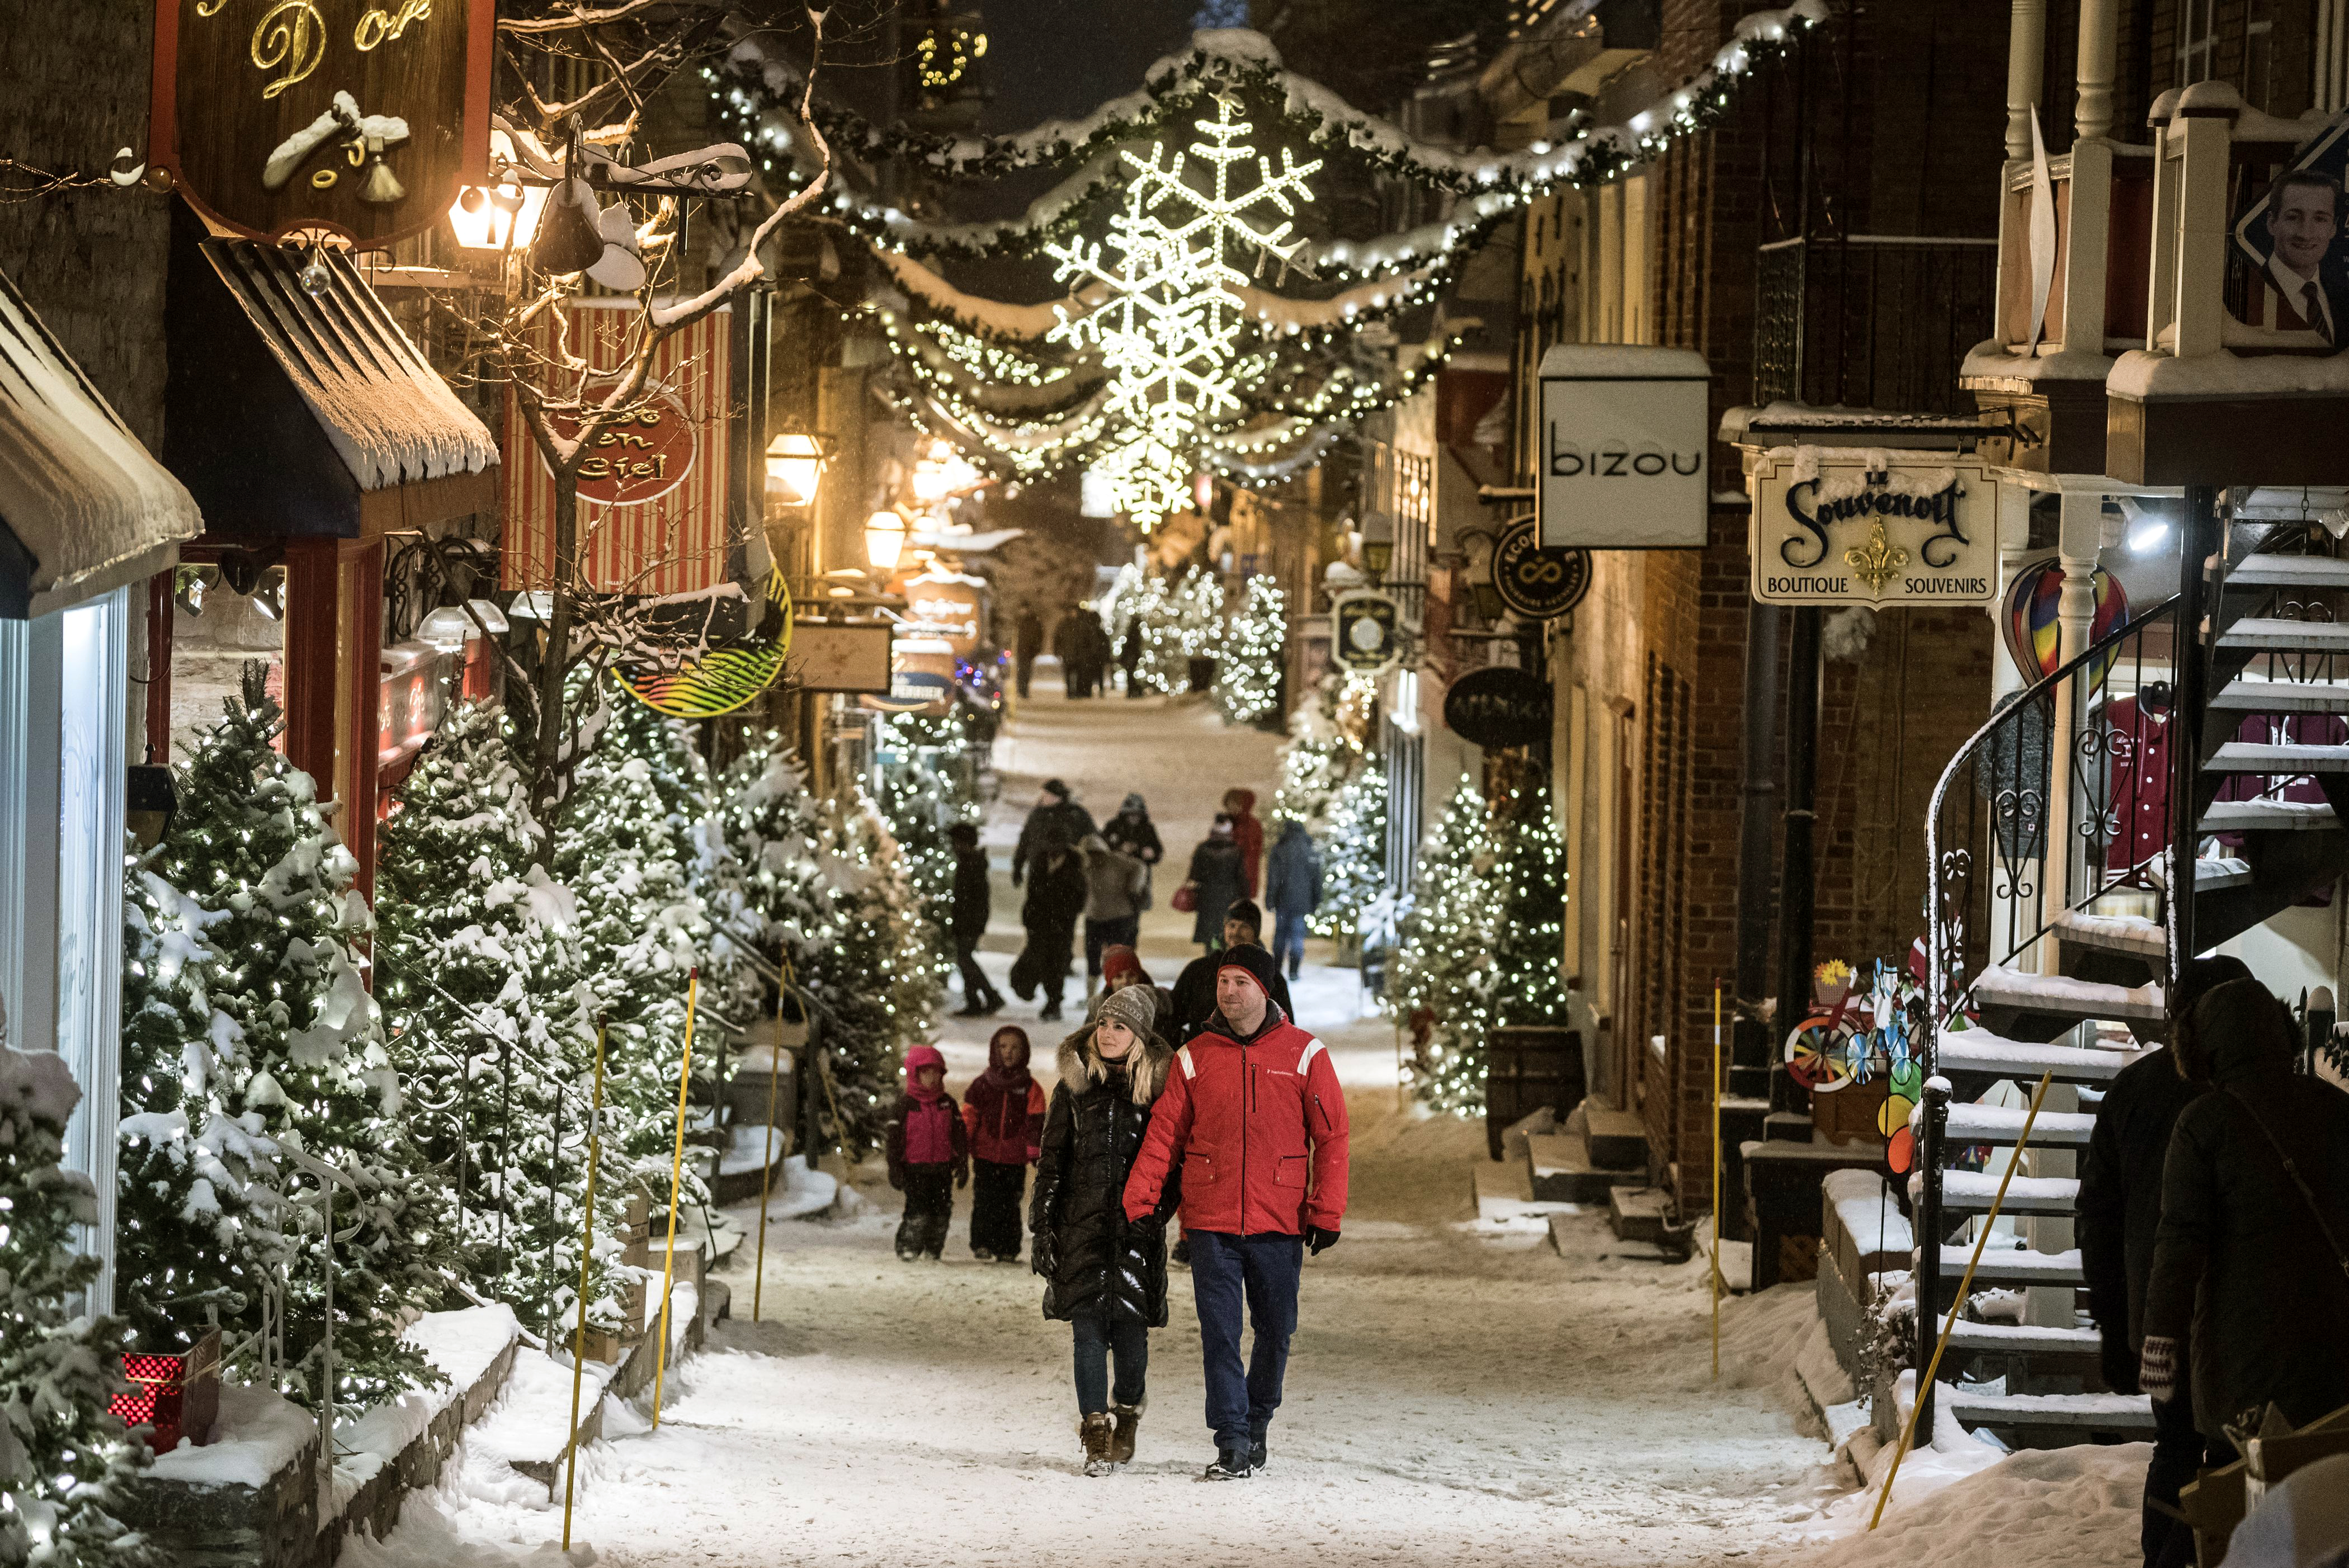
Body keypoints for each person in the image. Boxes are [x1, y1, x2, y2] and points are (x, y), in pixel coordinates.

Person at [1122, 943, 1349, 1479]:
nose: (1229, 992)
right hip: (1211, 1219)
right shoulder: (1193, 1056)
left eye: (1240, 982)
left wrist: (1326, 1211)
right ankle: (1231, 1438)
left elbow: (1332, 1135)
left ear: (1263, 990)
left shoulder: (1304, 1054)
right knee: (1220, 1332)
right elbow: (1165, 1136)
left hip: (1279, 1219)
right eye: (1224, 982)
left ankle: (1258, 1419)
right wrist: (1140, 1199)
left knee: (1276, 1329)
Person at [2142, 977, 2349, 1522]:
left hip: (2242, 1364)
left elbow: (2178, 1243)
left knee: (2248, 1508)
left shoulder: (2204, 1124)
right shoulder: (2337, 1109)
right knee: (2327, 1510)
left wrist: (2161, 1338)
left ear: (2202, 1047)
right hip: (2335, 1354)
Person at [2079, 955, 2251, 1568]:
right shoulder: (2243, 1091)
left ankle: (2165, 1558)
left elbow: (2096, 1213)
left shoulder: (2132, 1089)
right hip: (2233, 1316)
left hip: (2157, 1316)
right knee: (2235, 1457)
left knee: (2176, 1447)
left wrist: (2112, 1320)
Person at [1031, 985, 1178, 1476]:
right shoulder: (1074, 1090)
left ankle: (1128, 1409)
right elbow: (1051, 1163)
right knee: (1088, 1335)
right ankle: (1095, 1430)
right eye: (1103, 1024)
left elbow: (1173, 1167)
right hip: (1081, 1230)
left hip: (1136, 1235)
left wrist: (1155, 1215)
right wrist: (1042, 1228)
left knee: (1133, 1342)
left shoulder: (1158, 1091)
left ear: (1140, 1037)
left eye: (1120, 1026)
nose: (1108, 1033)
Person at [963, 1026, 1045, 1263]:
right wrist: (965, 1139)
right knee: (984, 1199)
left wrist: (1034, 1148)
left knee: (1010, 1202)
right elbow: (970, 1114)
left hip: (1014, 1157)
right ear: (994, 1050)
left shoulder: (1030, 1087)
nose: (1008, 1053)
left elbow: (1036, 1119)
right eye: (1003, 1047)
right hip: (985, 1154)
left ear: (1025, 1052)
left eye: (1015, 1048)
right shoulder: (982, 1084)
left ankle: (1008, 1247)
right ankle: (982, 1243)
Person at [885, 1044, 969, 1262]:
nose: (931, 1078)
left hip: (942, 1168)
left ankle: (934, 1248)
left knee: (941, 1212)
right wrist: (895, 1167)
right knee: (918, 1211)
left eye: (936, 1072)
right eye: (925, 1072)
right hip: (915, 1168)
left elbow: (959, 1136)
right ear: (915, 1074)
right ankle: (909, 1245)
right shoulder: (905, 1105)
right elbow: (893, 1141)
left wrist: (961, 1163)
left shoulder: (947, 1104)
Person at [1169, 900, 1292, 1044]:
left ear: (1256, 933)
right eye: (1232, 925)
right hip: (1203, 1058)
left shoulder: (1271, 978)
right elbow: (1174, 1016)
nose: (1236, 932)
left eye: (1245, 927)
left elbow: (1286, 1029)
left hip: (1252, 1059)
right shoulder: (1198, 970)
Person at [2261, 168, 2349, 345]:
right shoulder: (2254, 289)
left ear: (2333, 228)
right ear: (2272, 223)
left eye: (2320, 219)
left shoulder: (2343, 298)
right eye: (2293, 217)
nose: (2306, 233)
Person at [1012, 839, 1088, 1022]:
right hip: (1039, 924)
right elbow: (1033, 893)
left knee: (1055, 965)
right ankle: (1034, 992)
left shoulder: (1073, 867)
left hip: (1061, 927)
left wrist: (1064, 916)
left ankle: (1053, 1003)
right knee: (1038, 960)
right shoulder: (1040, 863)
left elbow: (1078, 897)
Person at [948, 822, 1002, 1018]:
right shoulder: (970, 862)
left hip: (969, 922)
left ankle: (988, 996)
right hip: (968, 921)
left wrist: (968, 921)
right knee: (965, 960)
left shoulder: (971, 864)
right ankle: (975, 1000)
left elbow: (973, 898)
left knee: (965, 960)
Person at [1080, 834, 1147, 988]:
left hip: (1119, 917)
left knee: (1118, 959)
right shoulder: (1085, 865)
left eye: (1096, 853)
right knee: (1093, 958)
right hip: (1095, 917)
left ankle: (1115, 992)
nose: (1095, 857)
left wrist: (1134, 888)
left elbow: (1140, 867)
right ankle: (1092, 995)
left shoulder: (1117, 861)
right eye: (1090, 854)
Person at [1263, 818, 1322, 980]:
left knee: (1280, 935)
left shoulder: (1280, 849)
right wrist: (1317, 900)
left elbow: (1273, 878)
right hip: (1302, 902)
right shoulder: (1310, 850)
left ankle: (1277, 970)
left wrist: (1270, 899)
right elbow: (1317, 878)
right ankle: (1294, 971)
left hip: (1283, 901)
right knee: (1297, 935)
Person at [1013, 780, 1096, 889]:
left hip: (1068, 873)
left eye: (1047, 795)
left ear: (1057, 797)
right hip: (1038, 871)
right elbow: (1025, 840)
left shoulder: (1076, 814)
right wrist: (1018, 867)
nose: (1043, 798)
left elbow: (1092, 838)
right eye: (1043, 795)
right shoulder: (1037, 815)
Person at [1182, 816, 1248, 952]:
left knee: (1210, 934)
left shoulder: (1203, 849)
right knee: (1225, 932)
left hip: (1207, 897)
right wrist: (1244, 897)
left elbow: (1195, 874)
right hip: (1229, 897)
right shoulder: (1236, 851)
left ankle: (1211, 959)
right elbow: (1241, 877)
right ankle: (1222, 960)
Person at [1223, 788, 1265, 898]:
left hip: (1244, 879)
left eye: (1234, 804)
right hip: (1226, 880)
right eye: (1228, 804)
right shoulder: (1225, 822)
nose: (1230, 808)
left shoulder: (1253, 825)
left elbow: (1255, 852)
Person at [1015, 608, 1045, 700]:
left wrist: (1037, 649)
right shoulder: (1020, 621)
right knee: (1022, 671)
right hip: (1023, 651)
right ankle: (1021, 690)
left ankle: (1023, 690)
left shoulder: (1033, 622)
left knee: (1026, 671)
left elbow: (1039, 636)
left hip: (1029, 651)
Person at [1119, 622, 1143, 698]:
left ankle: (1132, 691)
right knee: (1131, 675)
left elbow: (1128, 646)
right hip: (1133, 656)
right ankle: (1134, 691)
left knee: (1130, 675)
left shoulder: (1132, 634)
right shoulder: (1136, 634)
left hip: (1131, 656)